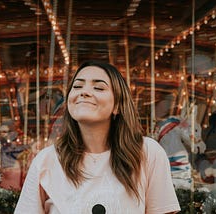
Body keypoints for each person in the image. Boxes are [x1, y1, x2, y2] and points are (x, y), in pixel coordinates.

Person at [14, 60, 180, 214]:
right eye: (77, 86)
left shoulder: (147, 152)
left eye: (99, 88)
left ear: (117, 105)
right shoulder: (47, 160)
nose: (84, 92)